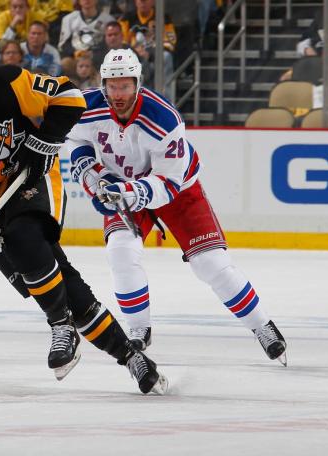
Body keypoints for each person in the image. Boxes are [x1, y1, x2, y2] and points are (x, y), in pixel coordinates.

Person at [0, 35, 168, 394]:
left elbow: (68, 97)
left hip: (32, 178)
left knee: (24, 237)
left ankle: (60, 326)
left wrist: (44, 142)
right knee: (62, 280)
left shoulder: (7, 83)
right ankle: (133, 358)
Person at [67, 49, 288, 365]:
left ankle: (262, 325)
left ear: (138, 84)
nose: (119, 94)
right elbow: (73, 140)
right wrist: (93, 175)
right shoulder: (88, 107)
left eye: (125, 85)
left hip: (177, 190)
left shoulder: (164, 119)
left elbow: (168, 185)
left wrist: (127, 193)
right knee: (120, 250)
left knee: (210, 264)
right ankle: (138, 329)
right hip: (122, 187)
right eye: (113, 85)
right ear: (103, 84)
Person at [57, 0, 114, 76]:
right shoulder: (68, 19)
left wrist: (93, 54)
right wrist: (75, 52)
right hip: (75, 59)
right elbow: (63, 45)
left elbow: (110, 44)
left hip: (98, 60)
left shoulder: (108, 20)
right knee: (65, 63)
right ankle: (69, 85)